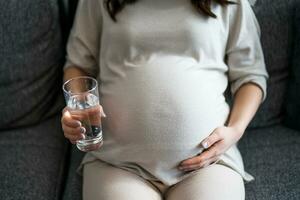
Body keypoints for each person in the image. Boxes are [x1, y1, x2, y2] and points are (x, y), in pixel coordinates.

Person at [61, 0, 269, 199]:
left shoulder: (230, 2)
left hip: (209, 164)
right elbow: (78, 65)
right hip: (117, 163)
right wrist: (77, 110)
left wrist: (235, 130)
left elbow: (250, 75)